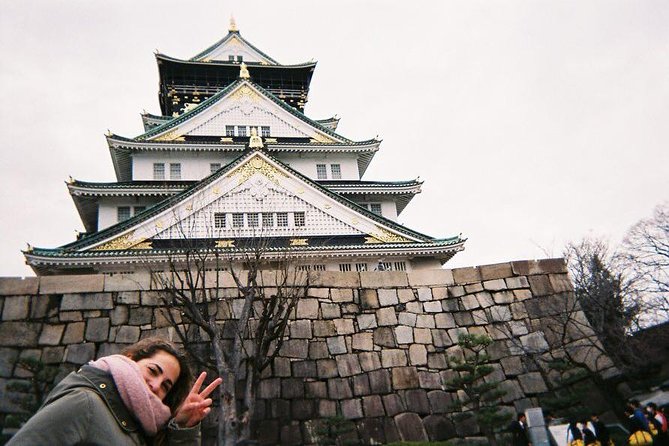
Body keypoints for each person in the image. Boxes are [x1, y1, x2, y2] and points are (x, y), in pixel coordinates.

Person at [8, 337, 222, 445]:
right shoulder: (85, 402)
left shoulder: (140, 427)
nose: (156, 385)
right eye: (153, 370)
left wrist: (183, 428)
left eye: (166, 385)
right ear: (130, 359)